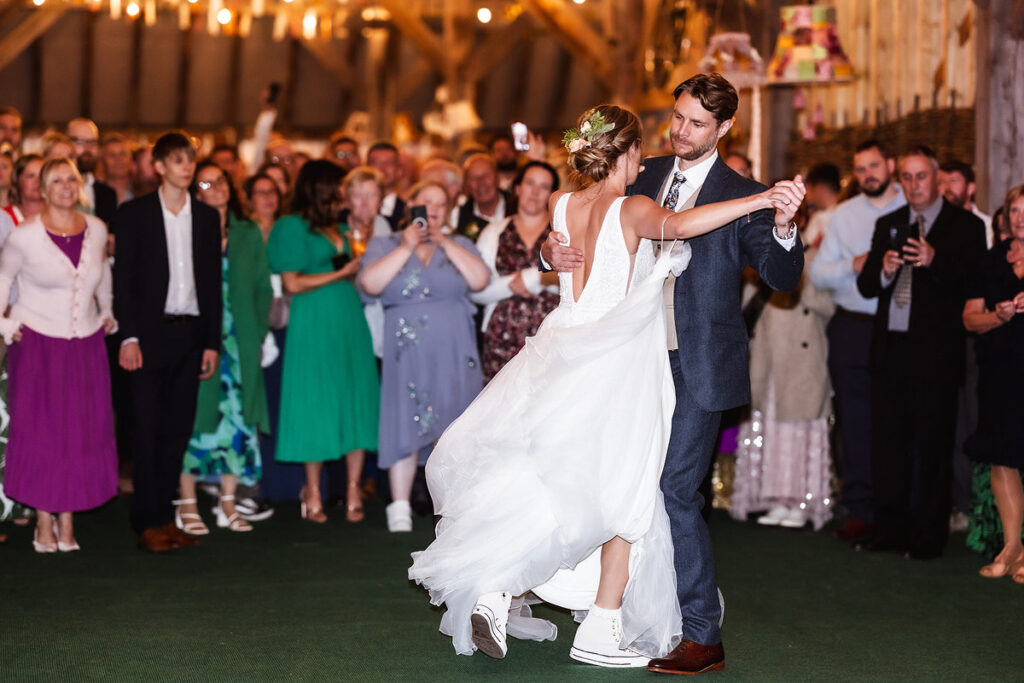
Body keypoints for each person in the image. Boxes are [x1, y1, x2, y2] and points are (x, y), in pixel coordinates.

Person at [410, 103, 803, 666]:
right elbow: (682, 225)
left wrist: (552, 247)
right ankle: (601, 624)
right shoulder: (637, 204)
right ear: (627, 153)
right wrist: (761, 198)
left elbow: (565, 241)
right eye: (646, 144)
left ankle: (497, 587)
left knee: (540, 471)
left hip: (560, 348)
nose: (657, 149)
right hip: (617, 357)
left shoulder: (562, 202)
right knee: (628, 487)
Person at [542, 75, 805, 674]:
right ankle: (612, 607)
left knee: (675, 490)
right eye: (677, 118)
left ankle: (701, 634)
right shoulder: (641, 168)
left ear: (725, 129)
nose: (680, 131)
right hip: (623, 357)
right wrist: (546, 254)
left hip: (696, 363)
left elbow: (782, 278)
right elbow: (575, 223)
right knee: (615, 481)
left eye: (695, 124)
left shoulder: (746, 193)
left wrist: (785, 226)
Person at [855, 145, 986, 560]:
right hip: (890, 349)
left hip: (936, 355)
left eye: (921, 176)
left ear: (937, 178)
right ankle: (889, 529)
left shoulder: (965, 226)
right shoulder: (889, 223)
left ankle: (929, 535)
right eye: (907, 178)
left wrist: (935, 260)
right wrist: (885, 270)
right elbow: (867, 286)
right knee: (888, 445)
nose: (913, 185)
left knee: (932, 447)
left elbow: (974, 286)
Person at [0, 157, 118, 552]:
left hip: (85, 343)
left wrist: (107, 311)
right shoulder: (24, 235)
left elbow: (102, 273)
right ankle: (44, 522)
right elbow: (2, 279)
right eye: (56, 181)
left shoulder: (98, 229)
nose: (65, 186)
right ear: (43, 189)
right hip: (37, 344)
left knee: (80, 431)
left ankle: (68, 521)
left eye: (71, 179)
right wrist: (4, 325)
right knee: (41, 432)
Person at [358, 180, 490, 533]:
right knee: (404, 414)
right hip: (407, 350)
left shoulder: (460, 243)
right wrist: (407, 246)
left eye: (440, 203)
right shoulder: (384, 243)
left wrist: (442, 239)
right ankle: (398, 506)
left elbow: (479, 280)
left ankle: (456, 506)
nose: (432, 208)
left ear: (446, 211)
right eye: (425, 201)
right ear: (410, 204)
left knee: (456, 418)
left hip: (454, 347)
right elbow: (369, 284)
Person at [113, 131, 222, 553]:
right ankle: (147, 521)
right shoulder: (134, 214)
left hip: (190, 334)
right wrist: (130, 336)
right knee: (145, 429)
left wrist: (211, 342)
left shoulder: (208, 217)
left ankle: (165, 516)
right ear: (158, 166)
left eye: (189, 159)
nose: (186, 165)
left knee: (177, 430)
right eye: (177, 159)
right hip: (147, 334)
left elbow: (212, 285)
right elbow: (124, 283)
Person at [267, 160, 379, 524]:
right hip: (312, 319)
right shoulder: (290, 226)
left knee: (355, 397)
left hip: (348, 317)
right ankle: (311, 488)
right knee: (314, 400)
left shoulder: (343, 226)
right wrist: (338, 274)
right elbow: (291, 283)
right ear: (321, 187)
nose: (343, 194)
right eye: (339, 187)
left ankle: (352, 487)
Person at [808, 140, 906, 543]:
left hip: (900, 329)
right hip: (853, 326)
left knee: (900, 420)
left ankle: (901, 510)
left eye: (874, 166)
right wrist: (855, 264)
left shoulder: (912, 208)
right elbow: (818, 275)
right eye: (860, 169)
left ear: (891, 165)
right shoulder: (843, 216)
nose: (868, 174)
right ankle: (859, 511)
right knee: (855, 423)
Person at [174, 162, 272, 535]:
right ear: (194, 191)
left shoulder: (247, 232)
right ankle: (185, 502)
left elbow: (263, 288)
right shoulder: (187, 230)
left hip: (241, 341)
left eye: (220, 180)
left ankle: (227, 503)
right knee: (194, 418)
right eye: (206, 182)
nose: (215, 187)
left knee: (238, 421)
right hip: (199, 341)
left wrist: (258, 331)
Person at [731, 238, 835, 530]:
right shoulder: (758, 259)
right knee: (770, 430)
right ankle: (776, 499)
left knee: (798, 431)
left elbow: (829, 306)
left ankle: (801, 502)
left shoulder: (815, 258)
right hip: (768, 361)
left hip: (802, 359)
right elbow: (745, 312)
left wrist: (799, 284)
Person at [962, 183, 1024, 580]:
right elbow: (969, 318)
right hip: (1000, 370)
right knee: (1003, 457)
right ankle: (1012, 546)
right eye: (1015, 210)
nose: (1020, 217)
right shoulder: (991, 259)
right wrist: (999, 316)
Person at [471, 161, 561, 381]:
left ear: (552, 195)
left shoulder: (561, 233)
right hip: (502, 339)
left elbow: (577, 280)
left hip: (550, 337)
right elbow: (476, 290)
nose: (535, 192)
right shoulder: (493, 232)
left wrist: (536, 278)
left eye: (544, 186)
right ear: (518, 188)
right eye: (530, 183)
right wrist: (513, 283)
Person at [67, 118, 117, 226]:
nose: (87, 148)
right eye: (79, 141)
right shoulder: (52, 190)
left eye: (92, 142)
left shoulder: (107, 194)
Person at [455, 154, 508, 240]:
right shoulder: (459, 219)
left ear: (498, 178)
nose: (481, 182)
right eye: (473, 178)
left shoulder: (518, 208)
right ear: (467, 185)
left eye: (486, 175)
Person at [366, 142, 406, 231]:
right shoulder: (351, 211)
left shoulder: (407, 213)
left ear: (399, 170)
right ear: (365, 169)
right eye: (376, 163)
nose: (382, 168)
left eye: (389, 163)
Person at [3, 154, 44, 224]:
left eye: (42, 176)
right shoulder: (3, 217)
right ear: (17, 180)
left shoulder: (59, 216)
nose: (37, 181)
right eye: (30, 176)